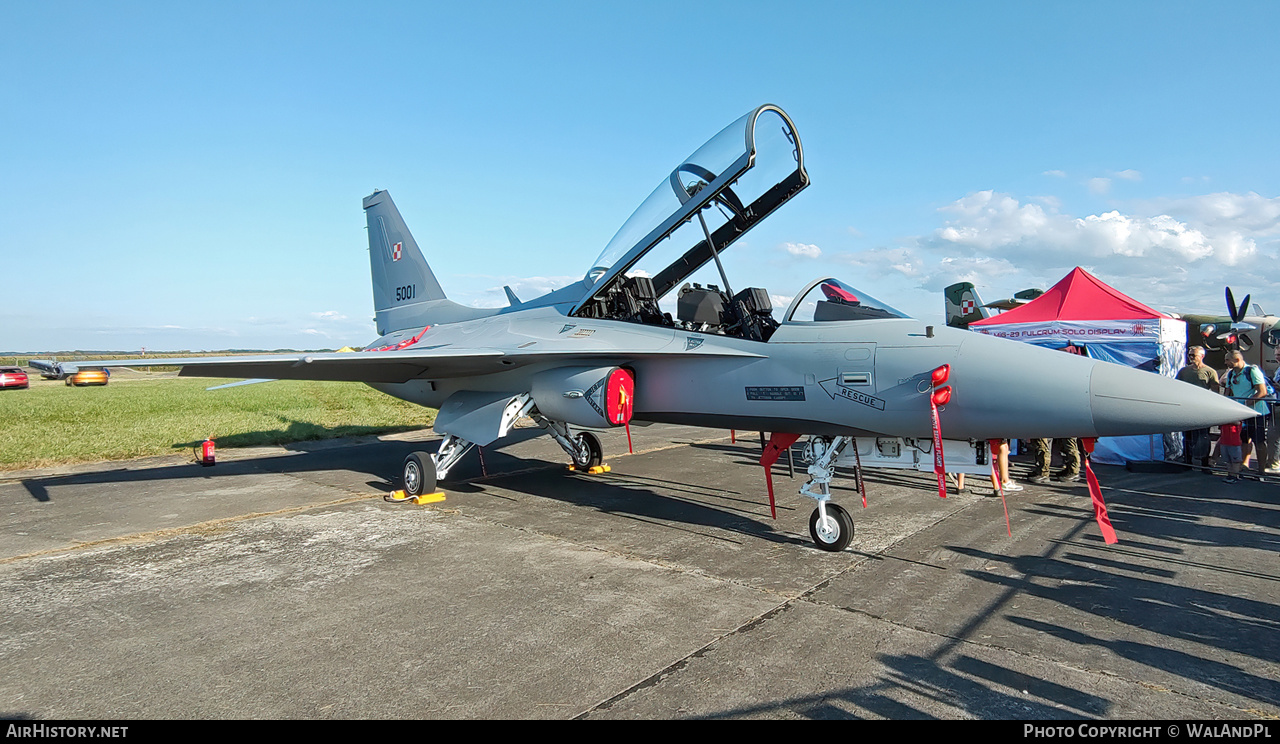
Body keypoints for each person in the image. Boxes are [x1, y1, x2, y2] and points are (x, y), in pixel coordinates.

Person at [1222, 350, 1269, 473]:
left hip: (1256, 413)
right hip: (1241, 413)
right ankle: (1244, 465)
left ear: (1237, 360)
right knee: (1243, 440)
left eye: (1228, 360)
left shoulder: (1252, 370)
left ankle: (1261, 470)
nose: (1225, 362)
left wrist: (1247, 404)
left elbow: (1262, 392)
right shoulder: (1231, 373)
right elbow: (1228, 392)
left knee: (1259, 442)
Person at [1176, 345, 1220, 466]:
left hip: (1202, 408)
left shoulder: (1210, 372)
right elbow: (1177, 387)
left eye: (1193, 355)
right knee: (1188, 436)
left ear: (1202, 356)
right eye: (1189, 355)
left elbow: (1215, 391)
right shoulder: (1183, 371)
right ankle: (1187, 461)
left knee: (1204, 437)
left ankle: (1204, 462)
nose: (1190, 357)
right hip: (1187, 407)